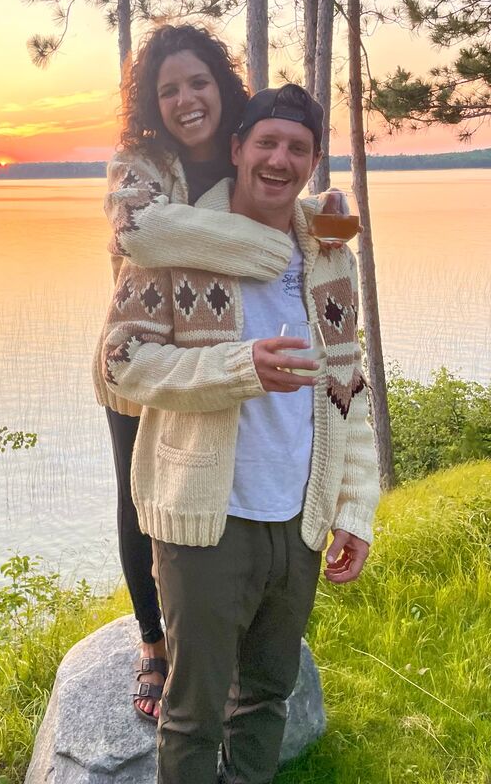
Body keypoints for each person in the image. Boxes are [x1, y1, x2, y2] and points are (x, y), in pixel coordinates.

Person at [99, 84, 380, 784]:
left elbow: (353, 388)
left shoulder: (328, 254)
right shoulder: (180, 243)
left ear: (312, 164)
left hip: (299, 521)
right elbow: (120, 364)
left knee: (265, 700)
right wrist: (237, 367)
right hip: (206, 525)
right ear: (237, 149)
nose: (280, 160)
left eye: (298, 149)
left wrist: (355, 508)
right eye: (267, 143)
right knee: (192, 713)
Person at [93, 25, 300, 723]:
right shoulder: (140, 162)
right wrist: (266, 248)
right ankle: (153, 641)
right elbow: (141, 233)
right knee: (140, 498)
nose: (186, 99)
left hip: (225, 350)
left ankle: (221, 625)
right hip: (145, 355)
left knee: (219, 481)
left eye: (198, 82)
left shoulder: (247, 145)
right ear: (153, 104)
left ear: (223, 85)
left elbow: (285, 194)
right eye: (169, 89)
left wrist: (307, 222)